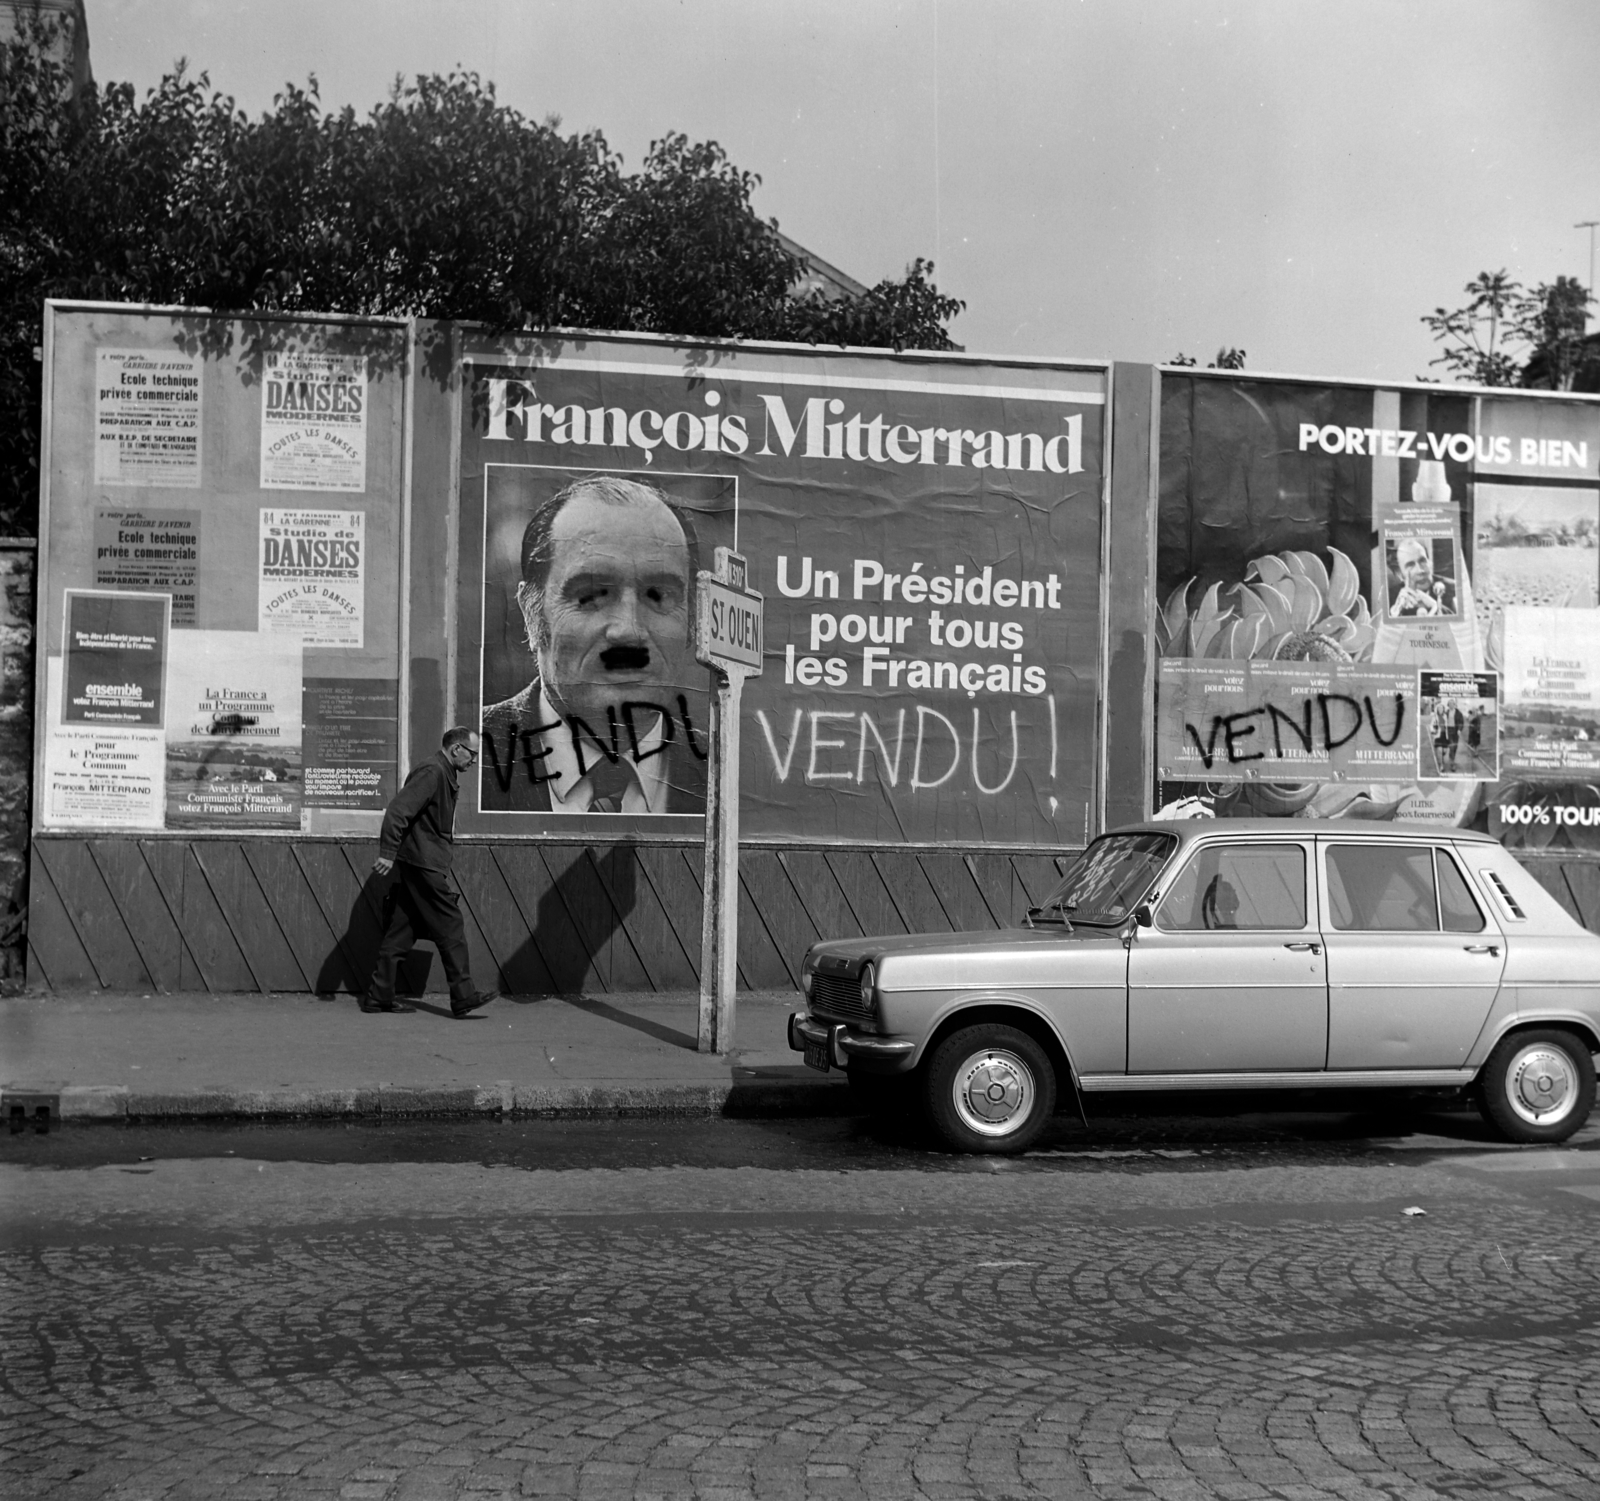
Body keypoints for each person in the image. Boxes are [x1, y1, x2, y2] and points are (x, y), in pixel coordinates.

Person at [481, 475, 709, 813]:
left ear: (693, 621)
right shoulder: (465, 762)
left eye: (659, 595)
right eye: (590, 596)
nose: (628, 630)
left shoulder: (734, 779)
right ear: (532, 613)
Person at [362, 727, 499, 1017]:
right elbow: (398, 811)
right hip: (423, 863)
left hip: (421, 861)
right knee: (451, 924)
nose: (475, 760)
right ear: (456, 749)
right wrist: (387, 853)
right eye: (472, 753)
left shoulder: (441, 772)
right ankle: (463, 995)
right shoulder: (432, 772)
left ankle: (379, 996)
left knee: (402, 930)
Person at [1391, 538, 1457, 617]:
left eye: (1422, 561)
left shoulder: (1454, 588)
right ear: (1400, 574)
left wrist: (1436, 606)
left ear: (1430, 563)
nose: (1420, 570)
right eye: (1410, 565)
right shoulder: (1391, 598)